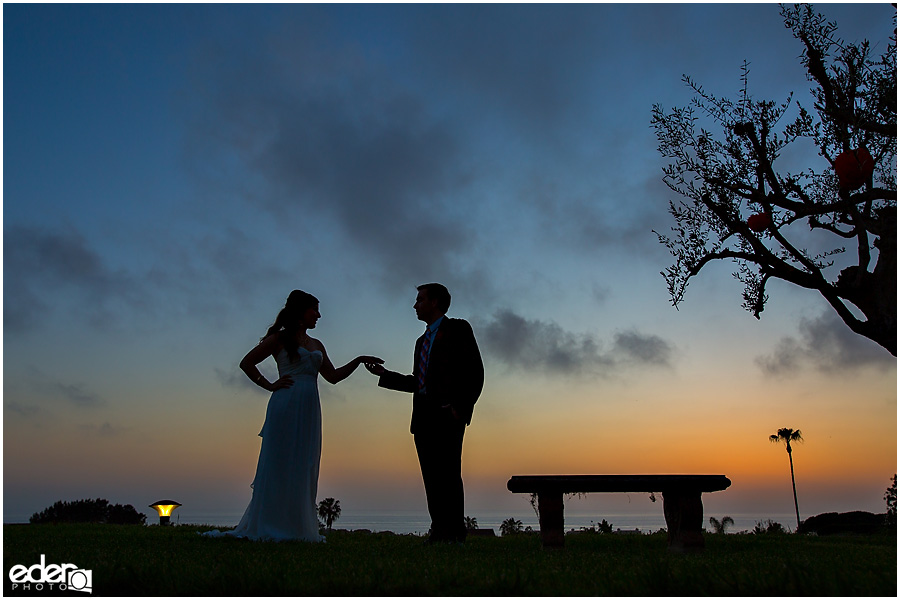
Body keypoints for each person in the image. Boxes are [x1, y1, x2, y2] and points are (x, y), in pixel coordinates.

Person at [205, 290, 382, 542]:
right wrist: (269, 385)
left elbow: (332, 377)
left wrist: (359, 360)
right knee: (280, 462)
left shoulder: (317, 344)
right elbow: (247, 363)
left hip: (310, 408)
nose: (319, 315)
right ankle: (272, 523)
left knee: (304, 463)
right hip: (285, 404)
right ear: (301, 311)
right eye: (315, 310)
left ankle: (297, 526)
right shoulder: (278, 339)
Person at [365, 283, 484, 544]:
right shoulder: (421, 341)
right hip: (422, 419)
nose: (415, 305)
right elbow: (418, 382)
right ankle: (439, 531)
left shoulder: (458, 329)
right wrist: (385, 376)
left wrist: (459, 409)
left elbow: (474, 372)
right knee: (431, 478)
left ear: (435, 302)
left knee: (449, 475)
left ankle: (455, 533)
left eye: (419, 299)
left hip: (447, 416)